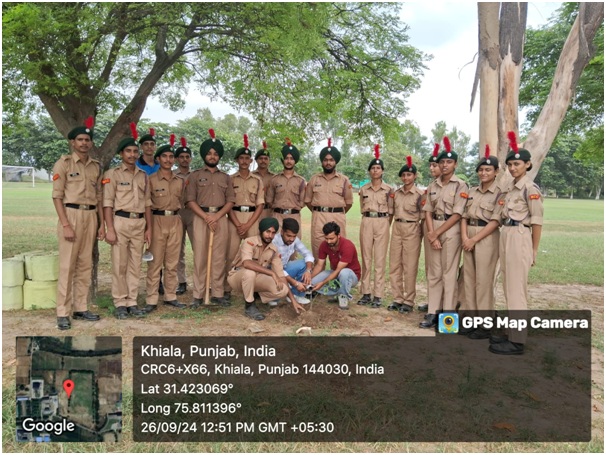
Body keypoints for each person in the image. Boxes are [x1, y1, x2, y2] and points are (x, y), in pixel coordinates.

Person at [489, 132, 543, 355]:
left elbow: (537, 221)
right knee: (508, 287)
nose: (513, 168)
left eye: (517, 164)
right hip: (506, 233)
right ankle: (512, 333)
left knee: (516, 290)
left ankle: (517, 341)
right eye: (510, 164)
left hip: (520, 235)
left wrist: (533, 249)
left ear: (528, 164)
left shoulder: (530, 190)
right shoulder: (510, 188)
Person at [52, 116, 104, 330]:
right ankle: (63, 312)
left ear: (91, 143)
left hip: (91, 216)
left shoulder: (95, 167)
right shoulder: (63, 163)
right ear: (72, 142)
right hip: (70, 214)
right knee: (67, 266)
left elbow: (99, 197)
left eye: (87, 140)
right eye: (80, 139)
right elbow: (57, 196)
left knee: (85, 264)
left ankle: (81, 308)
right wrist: (65, 224)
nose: (84, 143)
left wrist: (102, 225)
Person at [103, 123, 151, 320]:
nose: (132, 155)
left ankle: (132, 301)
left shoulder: (143, 175)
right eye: (128, 151)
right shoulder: (112, 174)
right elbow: (107, 203)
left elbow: (148, 203)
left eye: (134, 151)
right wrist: (110, 228)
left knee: (135, 265)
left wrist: (148, 227)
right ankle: (120, 302)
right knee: (119, 264)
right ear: (121, 154)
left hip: (139, 223)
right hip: (120, 222)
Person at [420, 136, 469, 329]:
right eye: (442, 162)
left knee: (449, 275)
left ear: (455, 164)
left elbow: (457, 214)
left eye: (449, 162)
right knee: (434, 273)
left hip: (451, 231)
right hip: (435, 230)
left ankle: (448, 318)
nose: (445, 165)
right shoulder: (433, 185)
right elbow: (428, 211)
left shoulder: (461, 185)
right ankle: (432, 312)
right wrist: (432, 234)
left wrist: (437, 233)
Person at [185, 128, 235, 308]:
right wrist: (206, 217)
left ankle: (217, 293)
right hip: (201, 218)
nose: (212, 156)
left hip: (220, 218)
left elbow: (230, 200)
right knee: (200, 256)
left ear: (219, 157)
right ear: (204, 155)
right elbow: (190, 200)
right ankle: (198, 295)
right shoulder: (195, 175)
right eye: (209, 153)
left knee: (218, 257)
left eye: (215, 154)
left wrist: (217, 216)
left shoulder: (226, 178)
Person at [459, 146, 503, 338]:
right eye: (481, 170)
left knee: (483, 281)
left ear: (496, 171)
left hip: (486, 238)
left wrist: (474, 239)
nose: (483, 173)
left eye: (488, 170)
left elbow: (495, 221)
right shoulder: (472, 191)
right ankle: (471, 319)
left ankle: (485, 325)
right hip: (468, 235)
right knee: (469, 279)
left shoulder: (500, 194)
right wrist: (465, 238)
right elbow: (463, 216)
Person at [227, 217, 306, 320]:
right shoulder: (249, 242)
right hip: (237, 277)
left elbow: (281, 275)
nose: (270, 235)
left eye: (273, 233)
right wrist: (271, 273)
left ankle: (256, 295)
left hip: (257, 278)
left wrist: (293, 301)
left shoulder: (274, 249)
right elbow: (247, 263)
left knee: (283, 289)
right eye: (267, 231)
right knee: (249, 273)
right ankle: (249, 306)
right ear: (261, 231)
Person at [142, 138, 186, 313]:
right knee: (155, 262)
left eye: (170, 157)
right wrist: (149, 228)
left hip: (175, 220)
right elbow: (146, 204)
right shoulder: (150, 180)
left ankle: (170, 296)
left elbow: (182, 201)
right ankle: (151, 299)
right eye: (164, 156)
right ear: (158, 159)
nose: (168, 159)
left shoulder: (180, 181)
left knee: (172, 262)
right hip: (157, 220)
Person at [224, 134, 265, 299]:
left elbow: (260, 204)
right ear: (237, 160)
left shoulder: (257, 180)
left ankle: (254, 288)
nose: (244, 161)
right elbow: (227, 203)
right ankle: (226, 289)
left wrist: (248, 225)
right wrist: (237, 223)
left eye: (247, 158)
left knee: (255, 254)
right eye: (241, 158)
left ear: (251, 161)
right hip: (234, 218)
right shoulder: (230, 179)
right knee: (230, 253)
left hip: (252, 219)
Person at [357, 145, 393, 308]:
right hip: (367, 221)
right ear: (369, 171)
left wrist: (385, 223)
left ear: (382, 171)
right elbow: (361, 207)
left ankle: (378, 295)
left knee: (379, 259)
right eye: (373, 168)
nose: (375, 170)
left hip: (382, 222)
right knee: (366, 258)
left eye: (378, 168)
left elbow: (391, 210)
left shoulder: (388, 189)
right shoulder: (363, 189)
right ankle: (365, 293)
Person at [305, 138, 354, 258]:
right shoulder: (314, 179)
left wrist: (336, 212)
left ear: (335, 162)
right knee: (317, 250)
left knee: (338, 252)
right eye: (325, 160)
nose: (328, 163)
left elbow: (348, 202)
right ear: (322, 162)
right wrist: (319, 212)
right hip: (318, 218)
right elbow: (307, 200)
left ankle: (336, 275)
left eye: (331, 160)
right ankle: (318, 275)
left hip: (337, 218)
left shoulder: (344, 180)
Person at [388, 156, 424, 313]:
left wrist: (419, 235)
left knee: (410, 266)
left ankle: (408, 300)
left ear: (414, 176)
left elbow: (424, 216)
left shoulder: (420, 194)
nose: (406, 178)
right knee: (395, 265)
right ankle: (397, 298)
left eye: (409, 175)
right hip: (397, 228)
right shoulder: (396, 194)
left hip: (412, 229)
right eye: (403, 175)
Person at [310, 222, 361, 310]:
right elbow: (319, 265)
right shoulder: (324, 245)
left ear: (338, 235)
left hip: (351, 276)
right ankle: (338, 292)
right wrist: (309, 279)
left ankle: (343, 296)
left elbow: (338, 270)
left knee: (343, 272)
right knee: (313, 283)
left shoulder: (347, 246)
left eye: (331, 238)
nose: (329, 241)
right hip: (335, 274)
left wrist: (323, 283)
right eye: (326, 238)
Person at [418, 143, 442, 313]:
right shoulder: (430, 187)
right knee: (430, 267)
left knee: (443, 269)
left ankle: (442, 304)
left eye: (435, 165)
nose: (432, 168)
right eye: (431, 165)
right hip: (429, 226)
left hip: (443, 228)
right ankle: (433, 301)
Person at [266, 139, 306, 236]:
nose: (289, 161)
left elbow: (302, 202)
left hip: (294, 216)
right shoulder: (274, 179)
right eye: (286, 158)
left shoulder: (301, 181)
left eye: (291, 159)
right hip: (277, 217)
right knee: (276, 247)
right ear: (283, 160)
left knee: (292, 245)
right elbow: (269, 200)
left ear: (295, 161)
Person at [272, 218, 314, 305]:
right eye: (289, 236)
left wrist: (308, 270)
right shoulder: (274, 241)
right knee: (274, 301)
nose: (291, 239)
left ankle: (296, 294)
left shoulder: (294, 240)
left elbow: (308, 254)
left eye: (294, 236)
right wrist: (295, 283)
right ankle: (274, 295)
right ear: (282, 232)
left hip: (285, 268)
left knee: (304, 264)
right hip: (272, 272)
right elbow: (275, 268)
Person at [174, 137, 194, 295]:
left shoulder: (195, 176)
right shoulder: (173, 175)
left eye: (187, 157)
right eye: (181, 157)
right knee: (177, 249)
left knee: (198, 247)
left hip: (193, 214)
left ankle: (201, 281)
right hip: (177, 214)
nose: (185, 159)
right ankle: (181, 281)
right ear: (176, 159)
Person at [253, 142, 275, 220]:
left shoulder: (274, 177)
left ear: (269, 161)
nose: (263, 161)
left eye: (266, 159)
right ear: (256, 160)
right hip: (254, 212)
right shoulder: (251, 176)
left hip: (270, 212)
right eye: (261, 158)